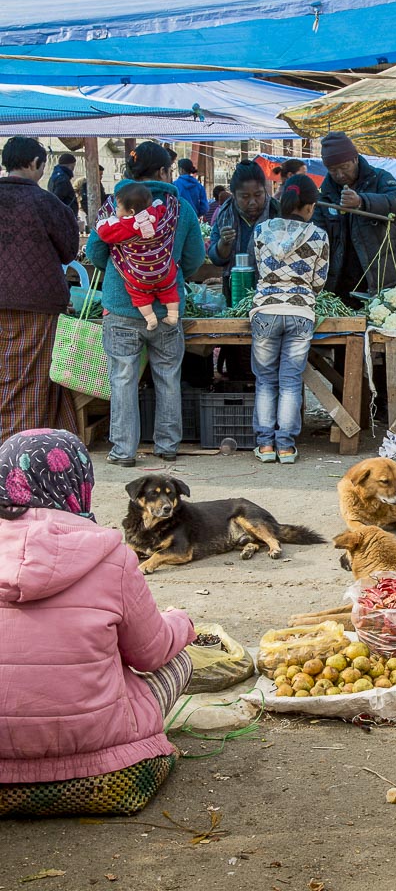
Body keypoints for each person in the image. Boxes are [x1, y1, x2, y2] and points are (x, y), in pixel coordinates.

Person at [0, 429, 195, 818]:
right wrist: (181, 621)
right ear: (79, 482)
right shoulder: (112, 557)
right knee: (178, 656)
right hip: (103, 767)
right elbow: (151, 653)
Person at [86, 142, 205, 467]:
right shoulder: (181, 208)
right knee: (168, 375)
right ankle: (167, 445)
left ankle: (124, 451)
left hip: (121, 308)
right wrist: (166, 273)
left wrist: (122, 270)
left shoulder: (115, 205)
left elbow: (95, 251)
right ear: (164, 171)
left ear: (129, 172)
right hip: (167, 307)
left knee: (123, 378)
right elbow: (195, 258)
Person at [0, 137, 80, 437]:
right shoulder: (47, 202)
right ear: (35, 163)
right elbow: (69, 251)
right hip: (38, 303)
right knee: (31, 379)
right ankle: (22, 444)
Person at [250, 175, 329, 464]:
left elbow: (260, 270)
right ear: (309, 206)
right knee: (291, 381)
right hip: (301, 313)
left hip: (265, 311)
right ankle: (285, 447)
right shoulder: (318, 235)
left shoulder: (261, 230)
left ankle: (265, 446)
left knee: (265, 381)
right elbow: (319, 281)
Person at [313, 132, 396, 305]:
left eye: (344, 167)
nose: (339, 174)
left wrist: (362, 202)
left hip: (380, 278)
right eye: (333, 170)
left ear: (355, 159)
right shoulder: (325, 194)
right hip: (339, 283)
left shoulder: (379, 179)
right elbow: (318, 234)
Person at [95, 184, 180, 331]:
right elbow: (195, 257)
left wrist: (104, 221)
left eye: (118, 207)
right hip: (164, 272)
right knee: (169, 289)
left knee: (138, 294)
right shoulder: (159, 216)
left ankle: (150, 319)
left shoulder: (123, 227)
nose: (116, 210)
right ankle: (173, 316)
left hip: (139, 277)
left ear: (131, 212)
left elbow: (101, 239)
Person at [208, 161, 280, 304]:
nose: (252, 202)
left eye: (258, 195)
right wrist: (224, 243)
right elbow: (215, 258)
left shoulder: (277, 213)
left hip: (272, 296)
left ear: (265, 191)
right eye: (245, 197)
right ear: (234, 195)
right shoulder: (225, 215)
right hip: (235, 294)